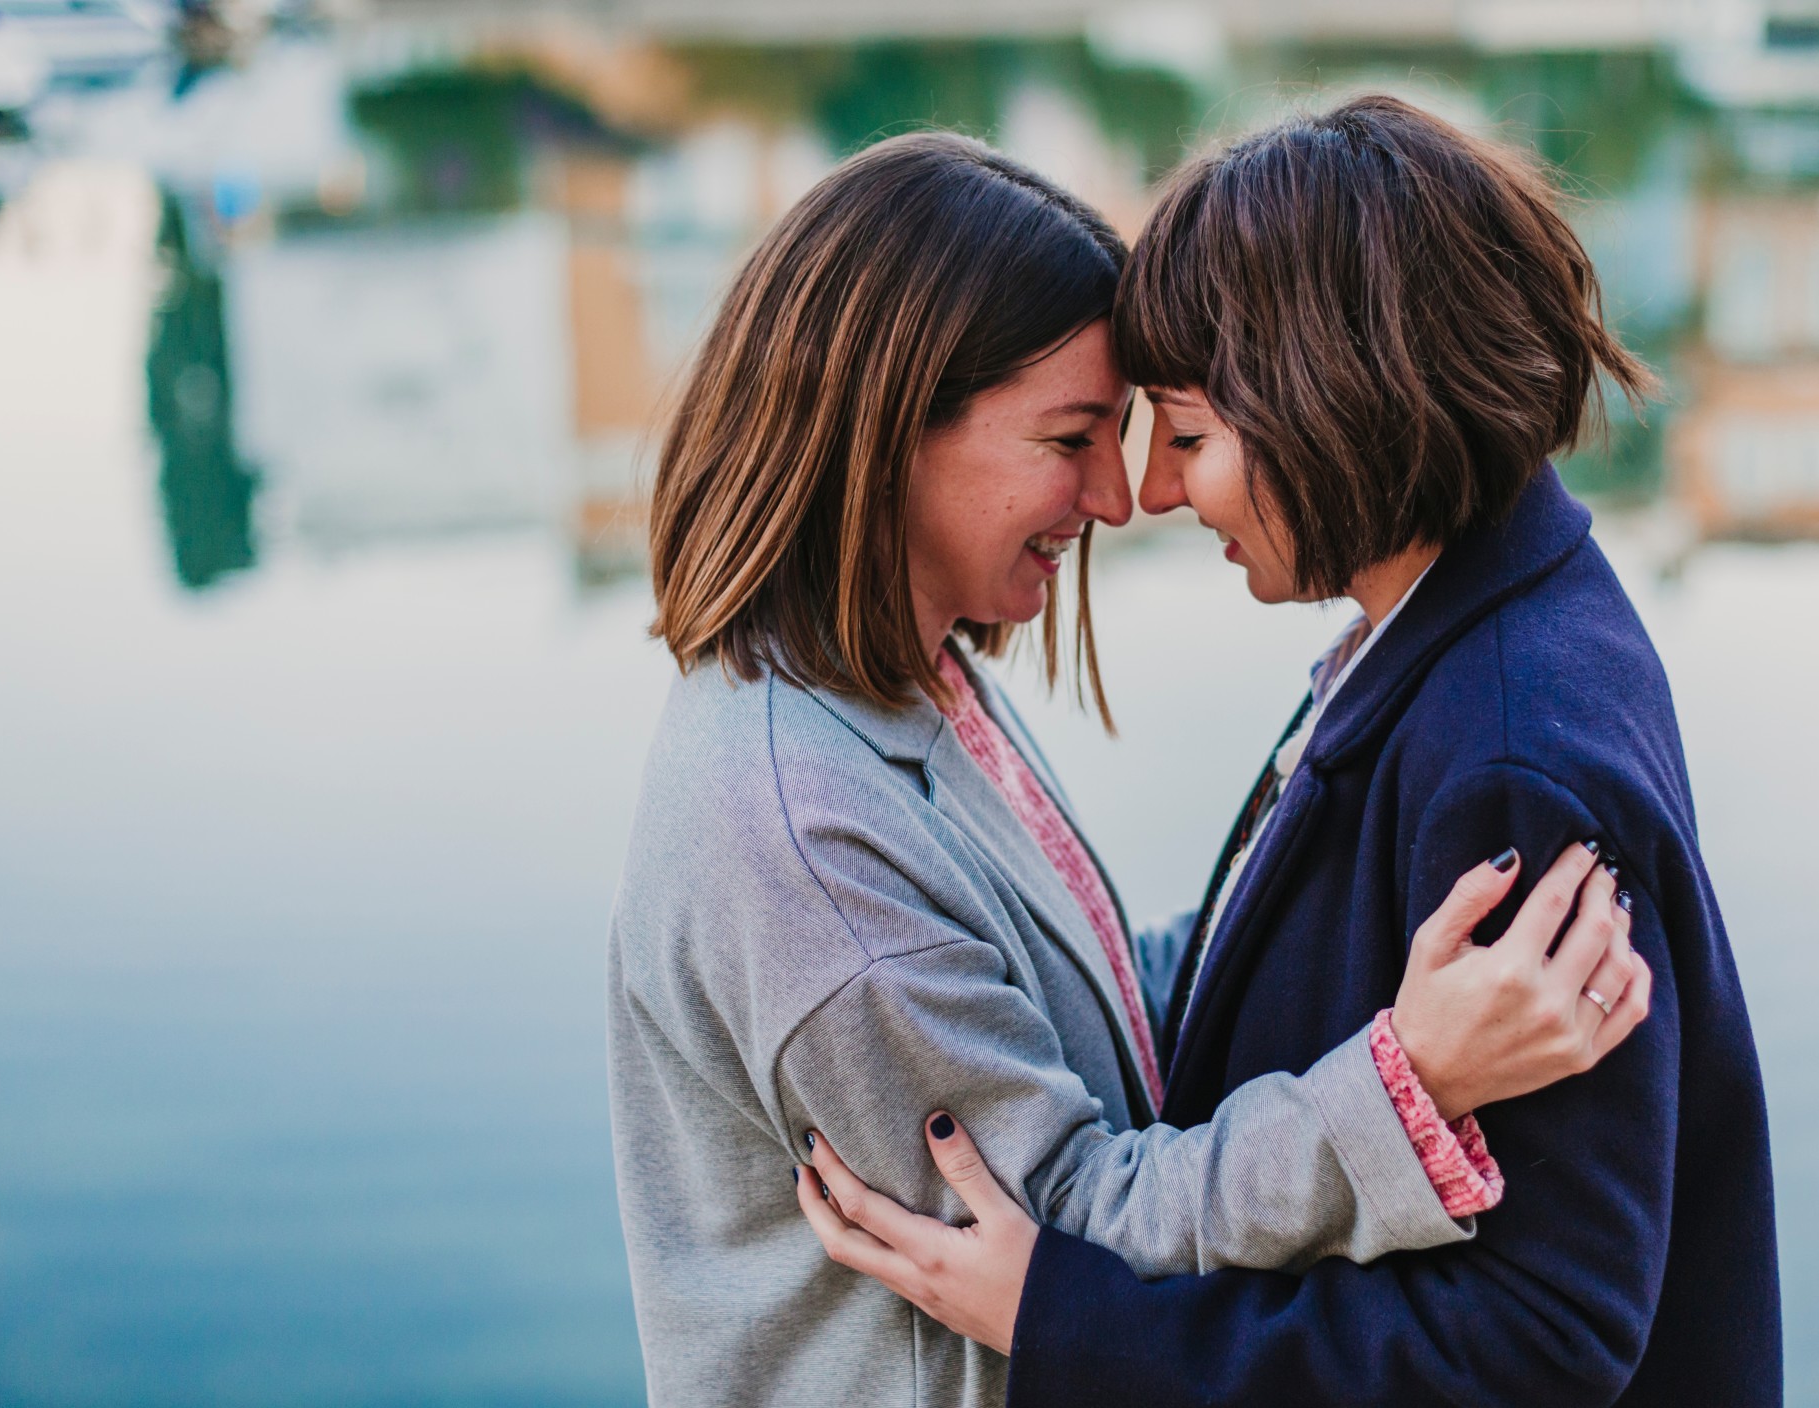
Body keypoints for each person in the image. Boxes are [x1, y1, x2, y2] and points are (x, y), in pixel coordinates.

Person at [610, 129, 1646, 1408]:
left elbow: (1069, 994)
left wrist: (1354, 952)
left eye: (1151, 432)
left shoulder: (905, 679)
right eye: (1072, 438)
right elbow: (1069, 1241)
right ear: (892, 432)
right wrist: (1405, 1082)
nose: (1119, 496)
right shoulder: (801, 834)